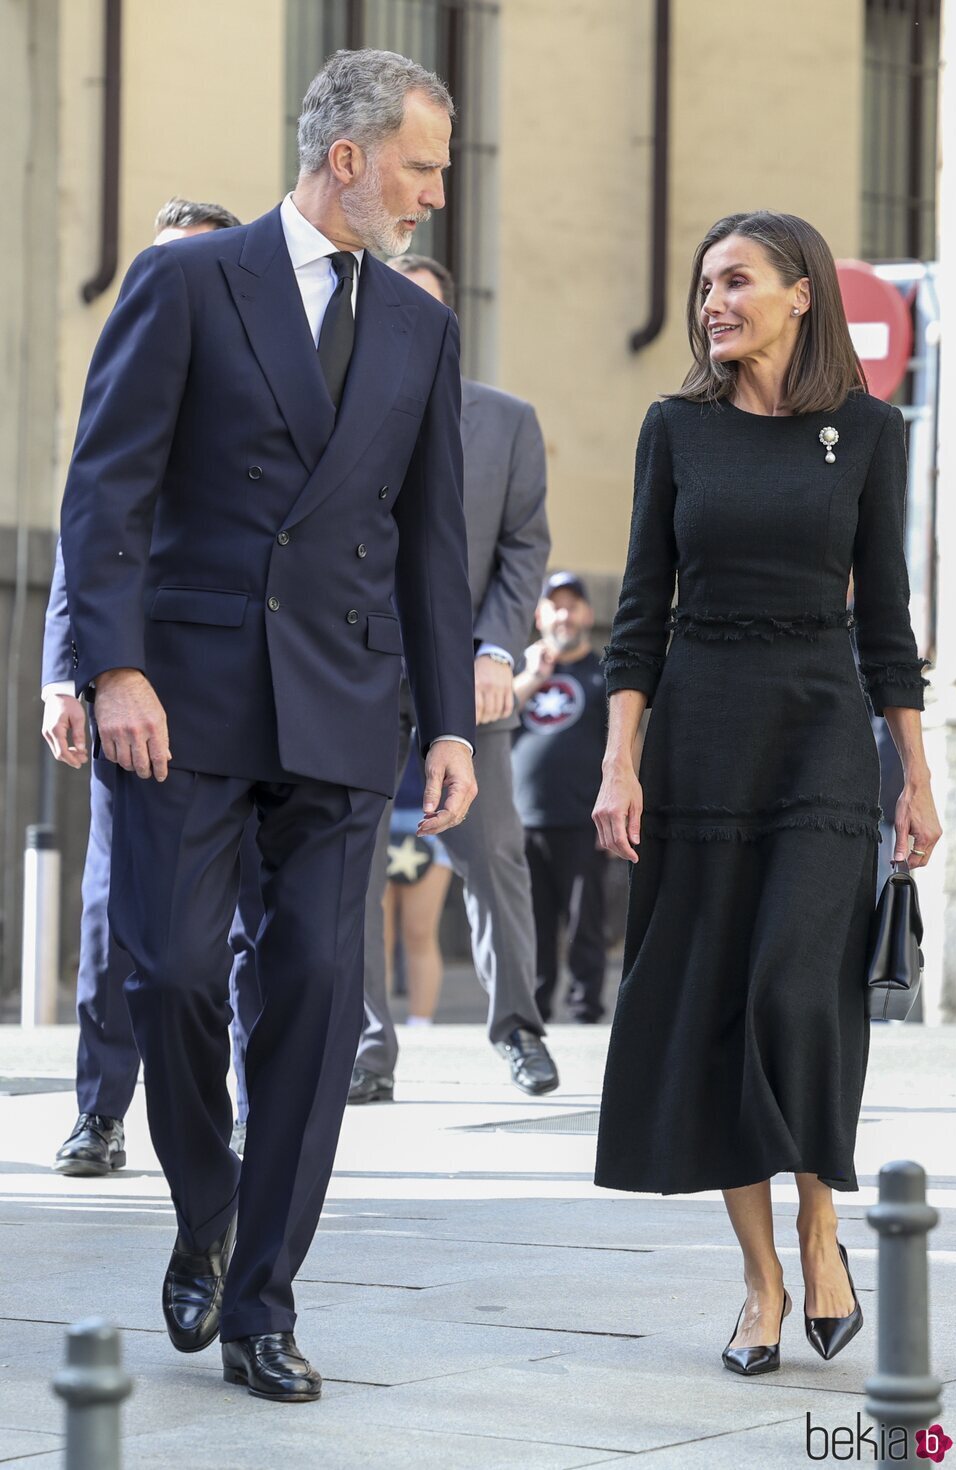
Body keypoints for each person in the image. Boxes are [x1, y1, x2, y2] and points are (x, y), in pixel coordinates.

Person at [58, 49, 477, 1403]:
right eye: (421, 166)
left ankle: (263, 1301)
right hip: (180, 704)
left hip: (346, 708)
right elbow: (105, 488)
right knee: (168, 972)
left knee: (313, 998)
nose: (435, 194)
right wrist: (108, 665)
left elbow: (431, 537)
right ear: (346, 159)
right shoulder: (188, 281)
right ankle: (207, 1199)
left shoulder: (418, 326)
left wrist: (450, 717)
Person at [591, 211, 942, 1378]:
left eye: (734, 281)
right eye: (701, 286)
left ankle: (818, 1220)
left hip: (818, 743)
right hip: (697, 742)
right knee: (709, 1004)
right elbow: (639, 615)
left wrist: (917, 778)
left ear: (802, 294)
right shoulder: (675, 429)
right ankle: (758, 1281)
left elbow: (884, 622)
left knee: (794, 989)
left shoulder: (867, 431)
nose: (711, 303)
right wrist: (617, 760)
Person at [41, 197, 246, 1178]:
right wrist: (65, 675)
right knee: (116, 914)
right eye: (159, 269)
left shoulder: (262, 385)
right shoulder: (131, 368)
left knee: (254, 921)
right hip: (136, 691)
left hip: (252, 697)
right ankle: (99, 1111)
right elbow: (91, 522)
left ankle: (238, 1101)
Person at [350, 253, 558, 1103]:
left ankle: (518, 1029)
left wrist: (496, 652)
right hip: (354, 673)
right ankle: (365, 1046)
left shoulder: (506, 424)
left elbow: (524, 550)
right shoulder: (337, 411)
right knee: (346, 861)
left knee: (493, 850)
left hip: (467, 675)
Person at [512, 572, 609, 1023]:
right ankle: (535, 1011)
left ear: (588, 614)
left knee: (583, 920)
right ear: (540, 615)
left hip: (583, 819)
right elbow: (487, 717)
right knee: (532, 923)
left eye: (573, 605)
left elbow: (630, 745)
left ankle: (586, 1007)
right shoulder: (518, 672)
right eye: (556, 605)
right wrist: (531, 678)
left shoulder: (603, 673)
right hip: (523, 820)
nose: (565, 614)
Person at [384, 744, 455, 1024]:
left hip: (428, 813)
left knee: (420, 930)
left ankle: (420, 1025)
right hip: (377, 808)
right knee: (376, 935)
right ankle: (375, 1028)